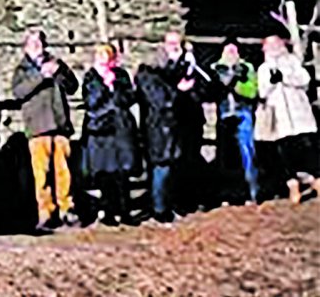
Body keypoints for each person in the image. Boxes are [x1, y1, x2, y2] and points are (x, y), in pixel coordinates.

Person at [11, 27, 79, 229]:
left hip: (59, 125)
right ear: (26, 46)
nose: (37, 46)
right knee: (42, 174)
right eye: (32, 43)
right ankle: (46, 212)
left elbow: (72, 86)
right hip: (37, 127)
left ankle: (67, 209)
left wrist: (59, 72)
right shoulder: (22, 70)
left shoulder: (57, 64)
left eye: (40, 42)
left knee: (64, 171)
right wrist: (41, 76)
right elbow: (19, 92)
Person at [136, 31, 206, 223]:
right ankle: (159, 209)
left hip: (179, 126)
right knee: (161, 168)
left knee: (176, 167)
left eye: (178, 43)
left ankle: (174, 204)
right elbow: (159, 100)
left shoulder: (184, 67)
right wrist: (180, 91)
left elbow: (201, 90)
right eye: (171, 43)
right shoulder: (148, 72)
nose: (175, 47)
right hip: (159, 128)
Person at [256, 35, 319, 204]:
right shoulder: (263, 68)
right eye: (268, 45)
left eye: (276, 44)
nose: (273, 48)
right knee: (286, 154)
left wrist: (285, 77)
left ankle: (316, 181)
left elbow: (305, 80)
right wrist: (272, 82)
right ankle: (294, 187)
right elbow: (262, 92)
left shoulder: (292, 62)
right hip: (280, 118)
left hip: (300, 115)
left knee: (308, 150)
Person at [81, 44, 138, 226]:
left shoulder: (121, 75)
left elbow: (129, 98)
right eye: (101, 55)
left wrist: (115, 86)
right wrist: (104, 85)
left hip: (120, 129)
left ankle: (125, 211)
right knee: (105, 173)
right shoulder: (90, 77)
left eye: (108, 56)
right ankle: (109, 212)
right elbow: (91, 101)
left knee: (122, 173)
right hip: (100, 132)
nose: (104, 60)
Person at [211, 39, 259, 203]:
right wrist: (221, 80)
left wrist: (238, 83)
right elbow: (213, 91)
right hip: (224, 114)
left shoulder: (247, 68)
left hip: (243, 112)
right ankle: (227, 193)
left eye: (234, 50)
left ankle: (251, 191)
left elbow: (252, 92)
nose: (231, 54)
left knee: (247, 152)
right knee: (226, 154)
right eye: (228, 50)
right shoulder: (216, 68)